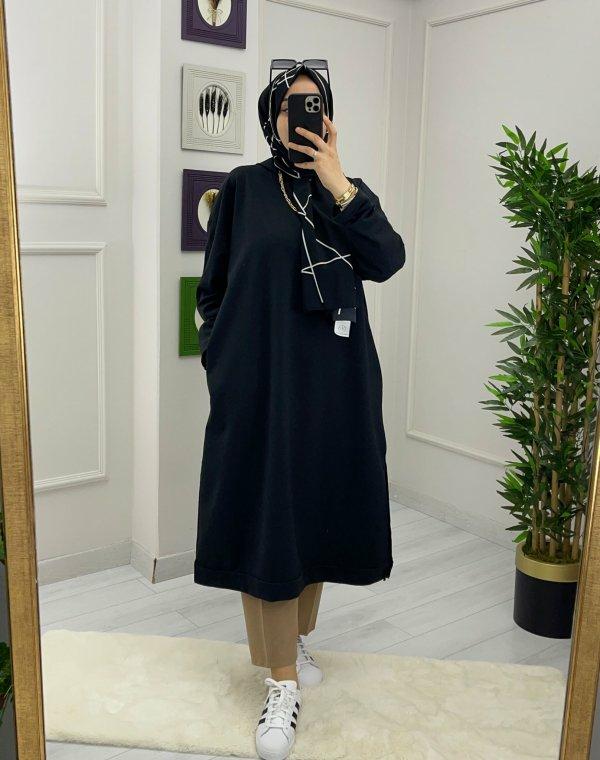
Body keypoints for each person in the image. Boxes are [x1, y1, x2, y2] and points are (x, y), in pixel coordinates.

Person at [195, 59, 406, 760]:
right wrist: (219, 357)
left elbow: (388, 259)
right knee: (268, 519)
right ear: (272, 116)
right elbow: (213, 289)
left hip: (334, 386)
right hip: (259, 383)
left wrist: (339, 182)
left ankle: (295, 641)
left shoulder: (346, 194)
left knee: (312, 513)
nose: (304, 117)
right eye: (293, 105)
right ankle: (281, 679)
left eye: (317, 105)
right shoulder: (243, 188)